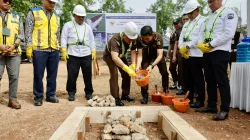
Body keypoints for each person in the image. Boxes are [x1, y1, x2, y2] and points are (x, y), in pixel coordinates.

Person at [196, 0, 238, 120]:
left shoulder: (228, 13)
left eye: (212, 1)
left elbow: (228, 33)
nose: (210, 3)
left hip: (220, 51)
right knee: (209, 79)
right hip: (208, 52)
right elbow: (202, 32)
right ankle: (211, 105)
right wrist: (200, 43)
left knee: (221, 80)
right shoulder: (209, 17)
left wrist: (211, 44)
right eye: (208, 1)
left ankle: (224, 109)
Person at [25, 0, 60, 106]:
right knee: (38, 75)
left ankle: (50, 95)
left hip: (53, 49)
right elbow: (28, 30)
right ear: (43, 1)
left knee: (52, 75)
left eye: (54, 2)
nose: (52, 4)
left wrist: (58, 46)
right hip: (39, 50)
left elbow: (57, 33)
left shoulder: (56, 16)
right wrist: (29, 46)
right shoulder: (34, 12)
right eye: (50, 2)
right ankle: (38, 96)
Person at [61, 5, 96, 101]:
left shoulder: (88, 27)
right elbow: (63, 37)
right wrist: (63, 50)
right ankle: (71, 92)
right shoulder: (67, 25)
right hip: (72, 54)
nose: (81, 18)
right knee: (72, 75)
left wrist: (93, 50)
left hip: (86, 54)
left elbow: (92, 40)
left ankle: (89, 93)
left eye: (83, 16)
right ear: (74, 15)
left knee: (87, 75)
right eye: (79, 16)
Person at [103, 22, 142, 106]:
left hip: (121, 54)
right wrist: (127, 68)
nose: (131, 40)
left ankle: (125, 94)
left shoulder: (133, 38)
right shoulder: (115, 39)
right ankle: (115, 98)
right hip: (110, 56)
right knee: (114, 74)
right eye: (129, 39)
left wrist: (133, 65)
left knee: (127, 74)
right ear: (124, 34)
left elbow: (133, 52)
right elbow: (115, 58)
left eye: (132, 39)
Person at [178, 0, 206, 108]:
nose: (189, 15)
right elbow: (181, 37)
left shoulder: (203, 21)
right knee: (187, 78)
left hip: (196, 54)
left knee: (198, 78)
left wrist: (188, 46)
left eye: (191, 13)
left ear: (197, 10)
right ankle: (189, 98)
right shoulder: (187, 24)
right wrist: (181, 48)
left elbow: (200, 38)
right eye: (188, 13)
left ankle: (200, 100)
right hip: (186, 54)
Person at [0, 0, 24, 109]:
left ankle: (12, 99)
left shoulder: (16, 16)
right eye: (5, 0)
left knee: (14, 77)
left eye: (10, 0)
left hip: (13, 52)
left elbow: (21, 35)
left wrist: (13, 46)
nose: (8, 2)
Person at [137, 26, 169, 104]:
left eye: (147, 38)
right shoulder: (139, 39)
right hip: (146, 56)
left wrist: (151, 65)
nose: (145, 40)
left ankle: (165, 91)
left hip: (157, 55)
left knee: (164, 72)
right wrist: (138, 66)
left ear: (152, 34)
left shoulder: (158, 37)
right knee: (143, 75)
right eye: (144, 38)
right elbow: (140, 55)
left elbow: (160, 55)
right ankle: (145, 95)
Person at [173, 14, 189, 95]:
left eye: (187, 19)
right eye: (184, 20)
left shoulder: (194, 28)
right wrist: (174, 55)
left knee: (192, 72)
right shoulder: (179, 31)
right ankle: (183, 88)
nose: (185, 21)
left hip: (192, 53)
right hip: (181, 53)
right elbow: (176, 43)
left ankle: (194, 90)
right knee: (181, 71)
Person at [167, 17, 182, 90]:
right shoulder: (173, 33)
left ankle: (180, 84)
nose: (175, 25)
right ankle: (175, 82)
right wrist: (167, 54)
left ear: (180, 23)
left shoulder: (183, 31)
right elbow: (170, 44)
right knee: (171, 68)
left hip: (181, 53)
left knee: (181, 69)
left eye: (177, 23)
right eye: (174, 23)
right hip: (173, 53)